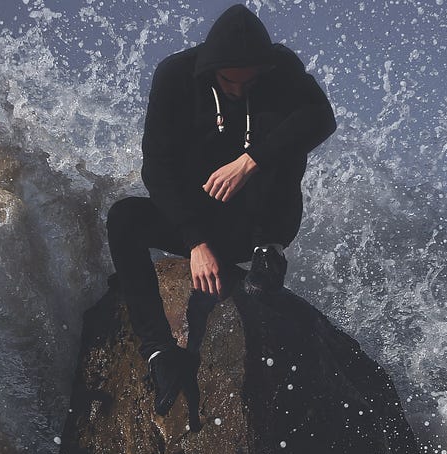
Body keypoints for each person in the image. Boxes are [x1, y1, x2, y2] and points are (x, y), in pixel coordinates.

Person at [105, 3, 337, 415]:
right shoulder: (176, 75)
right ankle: (160, 352)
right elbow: (155, 166)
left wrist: (252, 160)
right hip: (201, 222)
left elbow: (322, 118)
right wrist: (194, 240)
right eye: (231, 81)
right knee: (124, 218)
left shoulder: (280, 67)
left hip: (260, 221)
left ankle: (270, 250)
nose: (239, 91)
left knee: (288, 127)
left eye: (249, 83)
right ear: (212, 68)